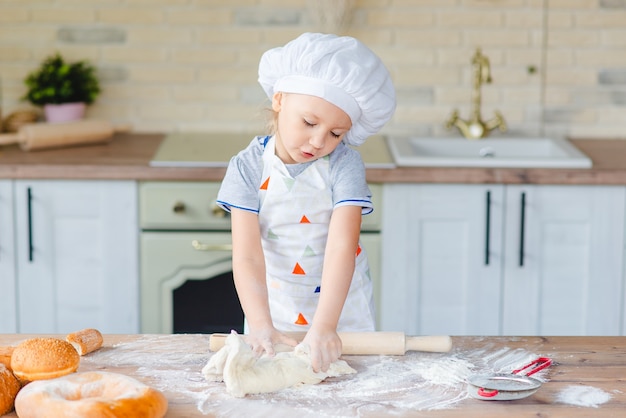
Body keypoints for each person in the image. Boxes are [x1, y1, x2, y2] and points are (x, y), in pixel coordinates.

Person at [216, 32, 396, 372]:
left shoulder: (344, 165)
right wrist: (260, 325)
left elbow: (342, 246)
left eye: (336, 133)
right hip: (272, 307)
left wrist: (326, 326)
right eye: (310, 122)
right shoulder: (247, 166)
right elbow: (247, 255)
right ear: (280, 100)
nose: (318, 141)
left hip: (340, 311)